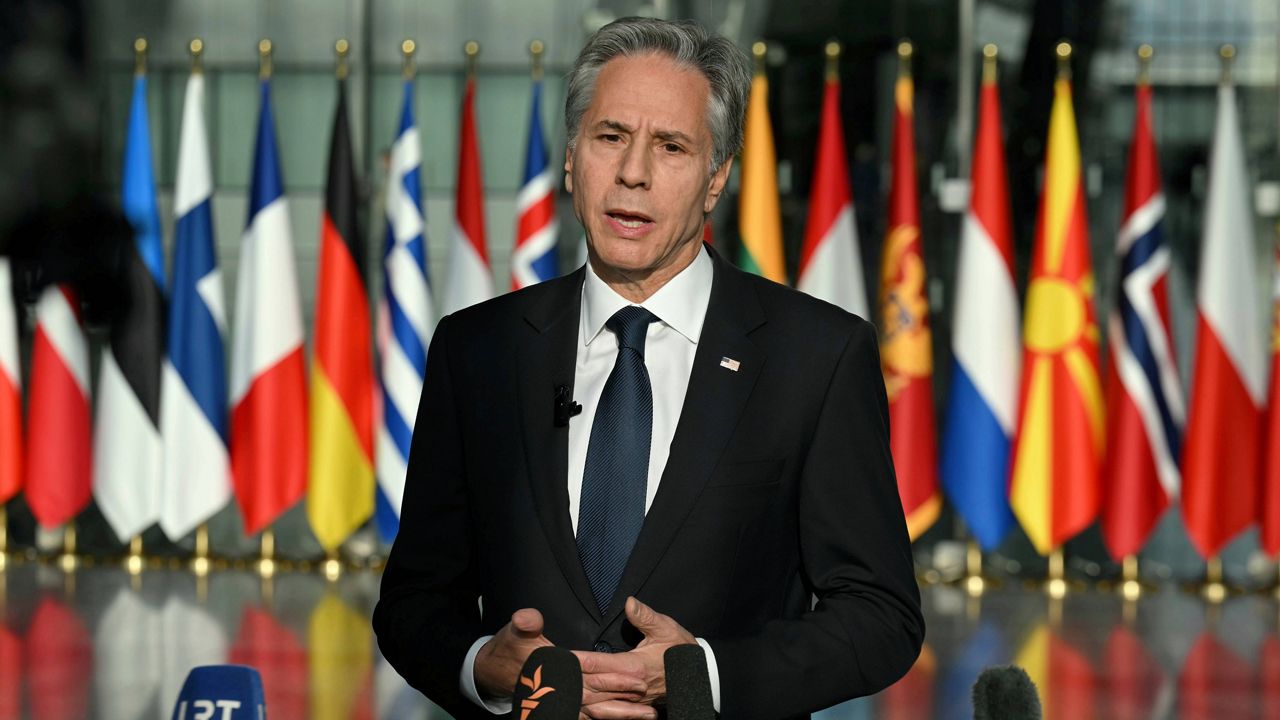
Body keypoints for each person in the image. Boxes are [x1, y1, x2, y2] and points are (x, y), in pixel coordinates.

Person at [373, 17, 923, 720]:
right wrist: (487, 664)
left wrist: (707, 677)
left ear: (716, 177)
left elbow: (881, 617)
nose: (633, 172)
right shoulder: (477, 350)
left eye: (671, 147)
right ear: (572, 157)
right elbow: (414, 603)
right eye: (610, 137)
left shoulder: (815, 357)